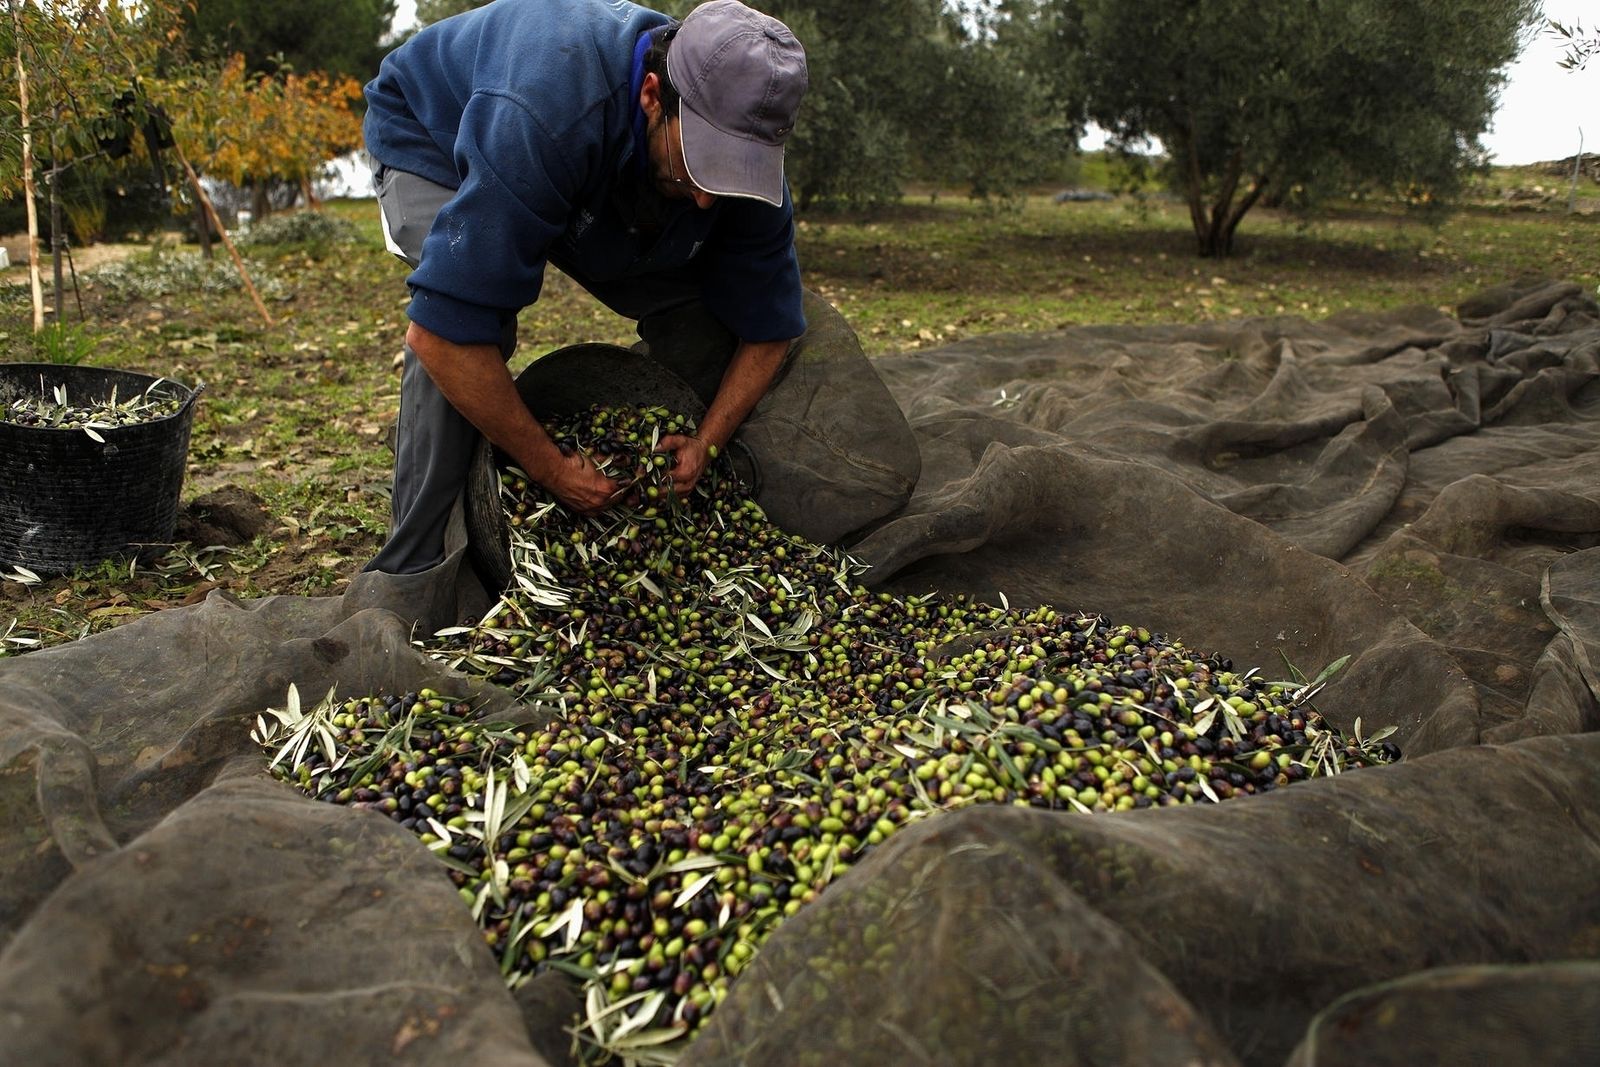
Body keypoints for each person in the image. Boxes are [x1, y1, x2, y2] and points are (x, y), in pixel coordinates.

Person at [362, 0, 920, 576]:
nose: (709, 197)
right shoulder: (547, 109)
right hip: (431, 132)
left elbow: (769, 329)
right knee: (471, 322)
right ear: (653, 95)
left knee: (707, 302)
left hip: (586, 162)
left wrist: (707, 441)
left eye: (734, 173)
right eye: (701, 165)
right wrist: (551, 470)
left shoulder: (737, 166)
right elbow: (442, 339)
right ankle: (413, 565)